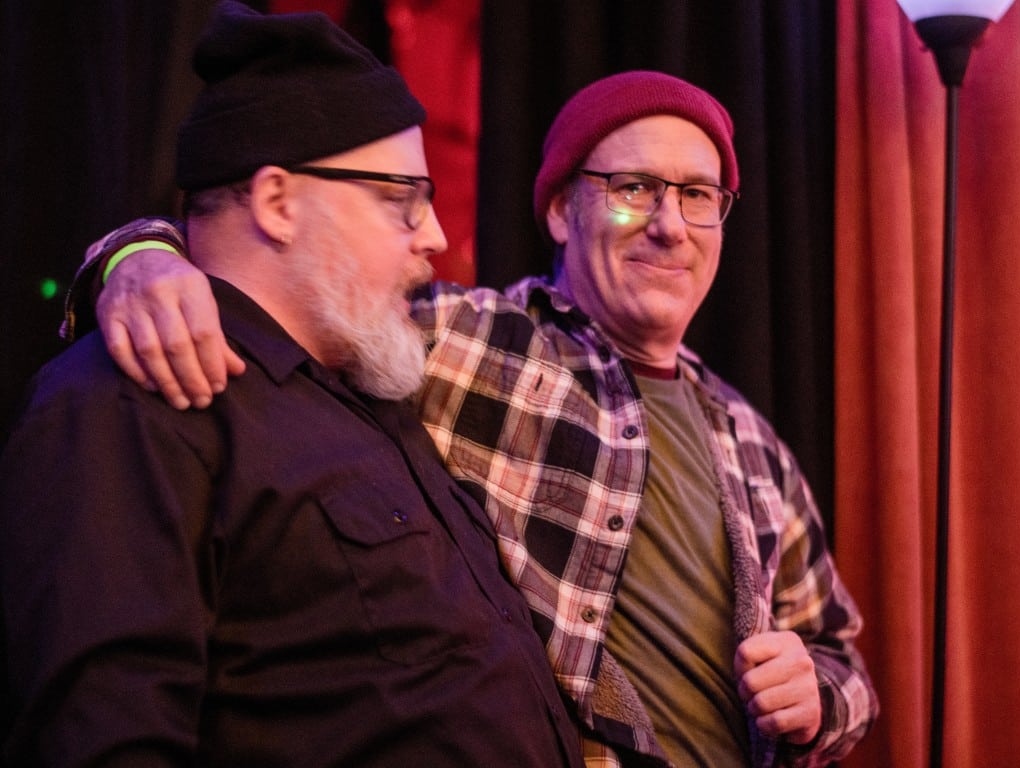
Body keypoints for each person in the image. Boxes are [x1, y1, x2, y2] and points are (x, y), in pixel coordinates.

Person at [64, 67, 879, 767]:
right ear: (560, 211)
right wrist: (138, 255)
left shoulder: (748, 437)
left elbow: (843, 656)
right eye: (634, 189)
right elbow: (274, 276)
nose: (669, 224)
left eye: (697, 195)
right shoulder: (468, 340)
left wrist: (817, 693)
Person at [0, 3, 587, 766]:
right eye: (403, 200)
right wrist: (131, 255)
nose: (437, 237)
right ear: (278, 203)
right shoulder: (137, 398)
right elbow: (105, 732)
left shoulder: (375, 386)